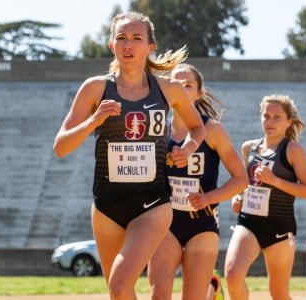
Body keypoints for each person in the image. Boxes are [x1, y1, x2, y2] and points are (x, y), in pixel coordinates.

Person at [52, 11, 205, 299]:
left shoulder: (168, 89)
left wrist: (186, 149)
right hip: (107, 206)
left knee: (120, 285)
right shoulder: (96, 88)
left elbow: (197, 128)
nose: (128, 45)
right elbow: (60, 147)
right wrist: (94, 120)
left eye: (137, 38)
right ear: (111, 45)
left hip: (153, 204)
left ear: (150, 46)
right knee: (119, 293)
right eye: (121, 38)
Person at [148, 63, 247, 300]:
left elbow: (241, 179)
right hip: (165, 221)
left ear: (199, 93)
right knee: (158, 295)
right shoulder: (156, 128)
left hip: (201, 222)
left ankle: (211, 287)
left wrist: (208, 198)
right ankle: (210, 287)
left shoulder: (212, 129)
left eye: (188, 84)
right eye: (176, 83)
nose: (181, 88)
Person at [224, 95, 306, 300]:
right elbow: (245, 183)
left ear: (288, 121)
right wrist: (239, 198)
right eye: (266, 116)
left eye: (277, 117)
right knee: (232, 274)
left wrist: (274, 180)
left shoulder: (293, 150)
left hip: (279, 227)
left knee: (279, 293)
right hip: (249, 222)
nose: (270, 122)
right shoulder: (249, 148)